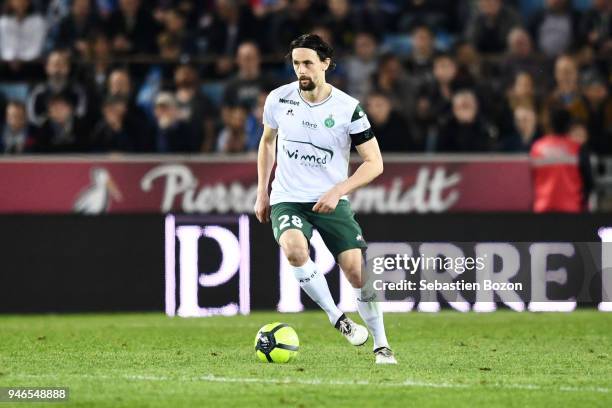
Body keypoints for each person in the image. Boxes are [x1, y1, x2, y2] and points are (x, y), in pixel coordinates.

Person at [254, 34, 396, 364]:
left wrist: (338, 191)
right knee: (293, 249)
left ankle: (382, 343)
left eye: (307, 63)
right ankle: (338, 318)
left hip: (331, 199)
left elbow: (375, 163)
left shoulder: (349, 109)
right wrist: (262, 190)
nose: (301, 70)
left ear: (325, 64)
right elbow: (267, 142)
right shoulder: (278, 99)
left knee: (357, 272)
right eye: (296, 64)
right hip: (287, 197)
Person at [530, 109, 593, 212]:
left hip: (543, 209)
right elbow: (588, 182)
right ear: (568, 126)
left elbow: (531, 180)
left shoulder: (537, 147)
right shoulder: (577, 148)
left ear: (549, 124)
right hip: (572, 210)